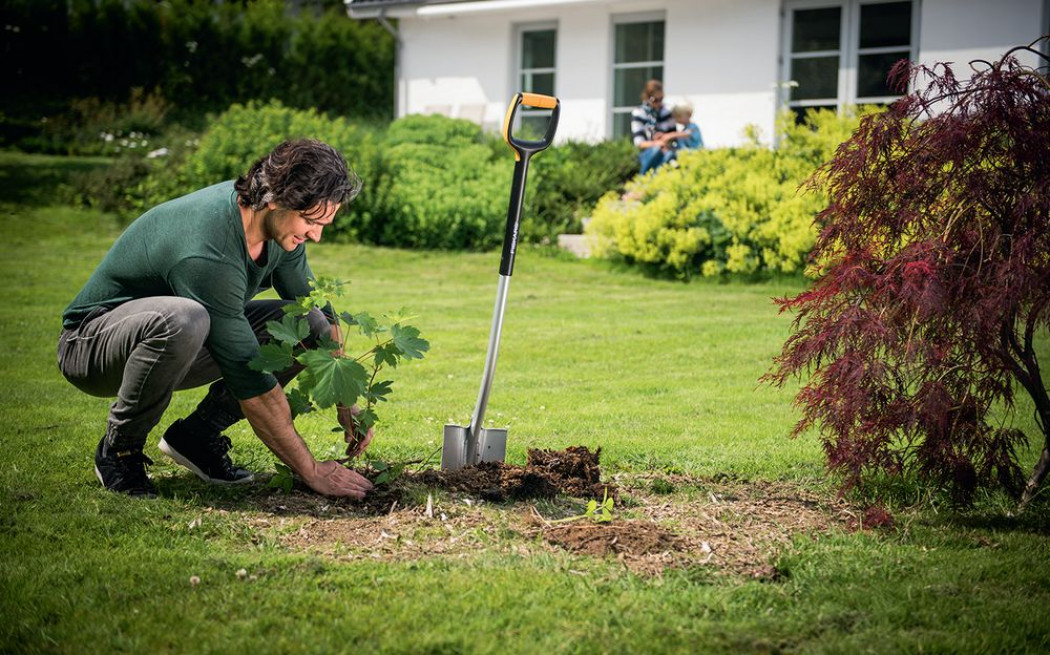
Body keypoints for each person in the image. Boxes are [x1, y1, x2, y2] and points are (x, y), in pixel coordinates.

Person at [57, 139, 376, 500]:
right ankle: (120, 450)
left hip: (178, 344)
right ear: (276, 199)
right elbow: (250, 379)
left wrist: (347, 398)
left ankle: (196, 439)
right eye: (309, 221)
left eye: (324, 223)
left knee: (310, 323)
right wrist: (311, 471)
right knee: (185, 318)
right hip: (90, 345)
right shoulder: (208, 249)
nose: (315, 235)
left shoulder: (278, 231)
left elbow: (319, 309)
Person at [630, 79, 690, 175]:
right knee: (657, 151)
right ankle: (643, 179)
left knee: (671, 154)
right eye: (655, 100)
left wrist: (664, 138)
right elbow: (639, 143)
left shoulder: (667, 113)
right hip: (648, 154)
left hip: (666, 151)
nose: (659, 103)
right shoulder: (639, 113)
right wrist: (657, 143)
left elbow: (673, 137)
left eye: (661, 99)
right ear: (647, 98)